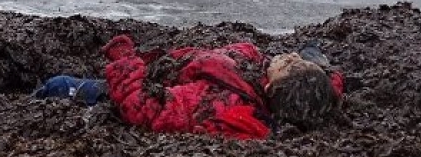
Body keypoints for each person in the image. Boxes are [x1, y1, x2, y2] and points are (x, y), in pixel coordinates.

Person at [102, 34, 345, 139]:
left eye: (291, 63)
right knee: (314, 58)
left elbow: (142, 106)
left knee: (66, 85)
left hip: (143, 79)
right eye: (296, 59)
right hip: (197, 62)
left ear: (270, 88)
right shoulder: (313, 92)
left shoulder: (221, 101)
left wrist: (124, 58)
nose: (290, 54)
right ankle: (313, 53)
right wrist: (327, 73)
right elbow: (328, 87)